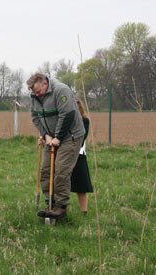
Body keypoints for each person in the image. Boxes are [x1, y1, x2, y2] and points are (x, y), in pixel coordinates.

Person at [28, 72, 85, 220]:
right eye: (34, 92)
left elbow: (67, 114)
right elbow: (35, 117)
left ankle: (61, 207)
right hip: (51, 137)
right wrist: (46, 135)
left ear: (45, 84)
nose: (37, 95)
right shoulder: (35, 97)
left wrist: (58, 137)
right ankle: (50, 204)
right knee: (46, 170)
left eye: (38, 91)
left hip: (70, 136)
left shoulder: (61, 90)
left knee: (61, 170)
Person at [70, 97, 93, 214]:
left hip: (79, 155)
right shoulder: (64, 119)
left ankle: (84, 212)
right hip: (64, 155)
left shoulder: (85, 121)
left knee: (81, 186)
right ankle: (60, 208)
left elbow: (81, 137)